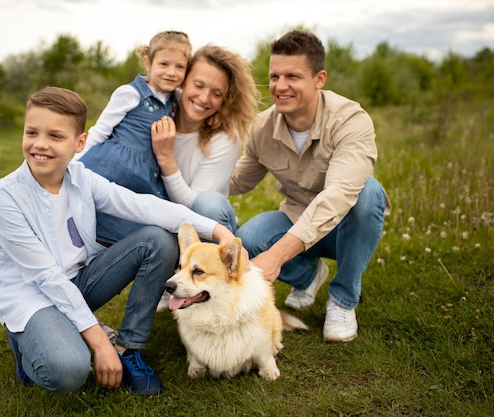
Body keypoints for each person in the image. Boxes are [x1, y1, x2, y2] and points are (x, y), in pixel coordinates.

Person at [0, 86, 238, 396]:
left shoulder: (80, 177)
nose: (40, 145)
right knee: (69, 371)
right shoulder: (4, 200)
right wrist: (98, 341)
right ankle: (28, 342)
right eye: (32, 132)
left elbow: (143, 206)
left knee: (157, 241)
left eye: (55, 136)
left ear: (80, 143)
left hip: (81, 281)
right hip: (34, 297)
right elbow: (47, 279)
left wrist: (216, 229)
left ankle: (128, 348)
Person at [229, 30, 390, 343]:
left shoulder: (350, 120)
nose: (280, 86)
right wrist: (176, 170)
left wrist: (276, 257)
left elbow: (338, 197)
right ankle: (309, 275)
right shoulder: (262, 126)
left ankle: (343, 300)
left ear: (319, 79)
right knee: (248, 239)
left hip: (345, 227)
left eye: (293, 76)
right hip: (296, 217)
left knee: (369, 193)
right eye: (275, 76)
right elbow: (239, 180)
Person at [76, 30, 192, 244]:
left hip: (145, 173)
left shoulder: (176, 98)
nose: (171, 72)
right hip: (114, 166)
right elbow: (100, 131)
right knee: (101, 209)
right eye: (164, 64)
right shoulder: (130, 93)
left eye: (180, 67)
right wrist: (72, 163)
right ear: (148, 63)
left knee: (146, 218)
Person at [150, 44, 260, 234]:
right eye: (198, 85)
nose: (204, 98)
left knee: (209, 203)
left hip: (204, 229)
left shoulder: (225, 140)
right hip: (156, 224)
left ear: (225, 99)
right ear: (184, 81)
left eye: (216, 94)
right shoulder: (156, 109)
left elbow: (195, 207)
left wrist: (166, 158)